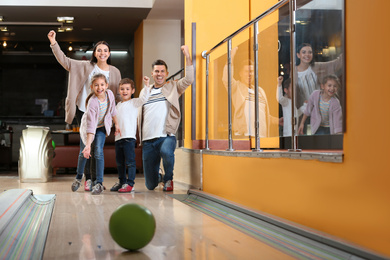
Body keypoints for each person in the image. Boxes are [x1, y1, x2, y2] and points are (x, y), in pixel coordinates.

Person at [48, 30, 121, 191]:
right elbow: (64, 61)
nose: (102, 53)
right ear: (95, 53)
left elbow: (117, 97)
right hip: (85, 112)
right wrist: (54, 42)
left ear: (109, 54)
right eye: (99, 50)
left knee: (97, 149)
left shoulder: (115, 72)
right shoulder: (84, 66)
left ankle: (96, 180)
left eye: (105, 50)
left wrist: (118, 121)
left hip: (103, 115)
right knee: (86, 146)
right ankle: (87, 178)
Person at [138, 45, 193, 191]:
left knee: (167, 152)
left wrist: (187, 56)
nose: (159, 74)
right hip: (148, 139)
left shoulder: (173, 88)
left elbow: (189, 79)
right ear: (152, 73)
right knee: (150, 185)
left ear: (167, 73)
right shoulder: (145, 91)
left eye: (162, 71)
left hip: (166, 135)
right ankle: (159, 177)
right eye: (157, 71)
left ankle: (169, 179)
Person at [72, 73, 121, 195]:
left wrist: (117, 125)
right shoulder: (93, 103)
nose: (100, 88)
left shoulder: (109, 94)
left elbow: (113, 110)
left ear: (107, 85)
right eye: (96, 85)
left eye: (102, 85)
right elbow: (91, 127)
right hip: (88, 128)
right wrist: (88, 145)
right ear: (92, 87)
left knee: (98, 152)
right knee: (84, 153)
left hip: (101, 127)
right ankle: (78, 177)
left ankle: (98, 183)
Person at [110, 77, 152, 193]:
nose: (124, 91)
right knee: (119, 163)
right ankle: (122, 182)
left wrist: (147, 84)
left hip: (129, 138)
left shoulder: (134, 103)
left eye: (127, 89)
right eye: (122, 89)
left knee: (130, 162)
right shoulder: (117, 106)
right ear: (119, 90)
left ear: (132, 91)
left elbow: (144, 98)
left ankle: (130, 183)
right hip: (118, 138)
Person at [222, 46, 274, 137]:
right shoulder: (236, 87)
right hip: (244, 135)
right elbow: (226, 79)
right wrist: (231, 56)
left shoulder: (260, 91)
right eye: (246, 71)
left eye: (252, 71)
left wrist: (279, 121)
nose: (249, 74)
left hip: (262, 137)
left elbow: (265, 116)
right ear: (240, 73)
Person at [295, 43, 343, 109]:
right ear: (298, 55)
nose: (307, 55)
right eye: (304, 52)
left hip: (320, 109)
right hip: (303, 111)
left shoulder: (317, 67)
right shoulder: (293, 72)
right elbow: (290, 94)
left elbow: (337, 64)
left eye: (310, 52)